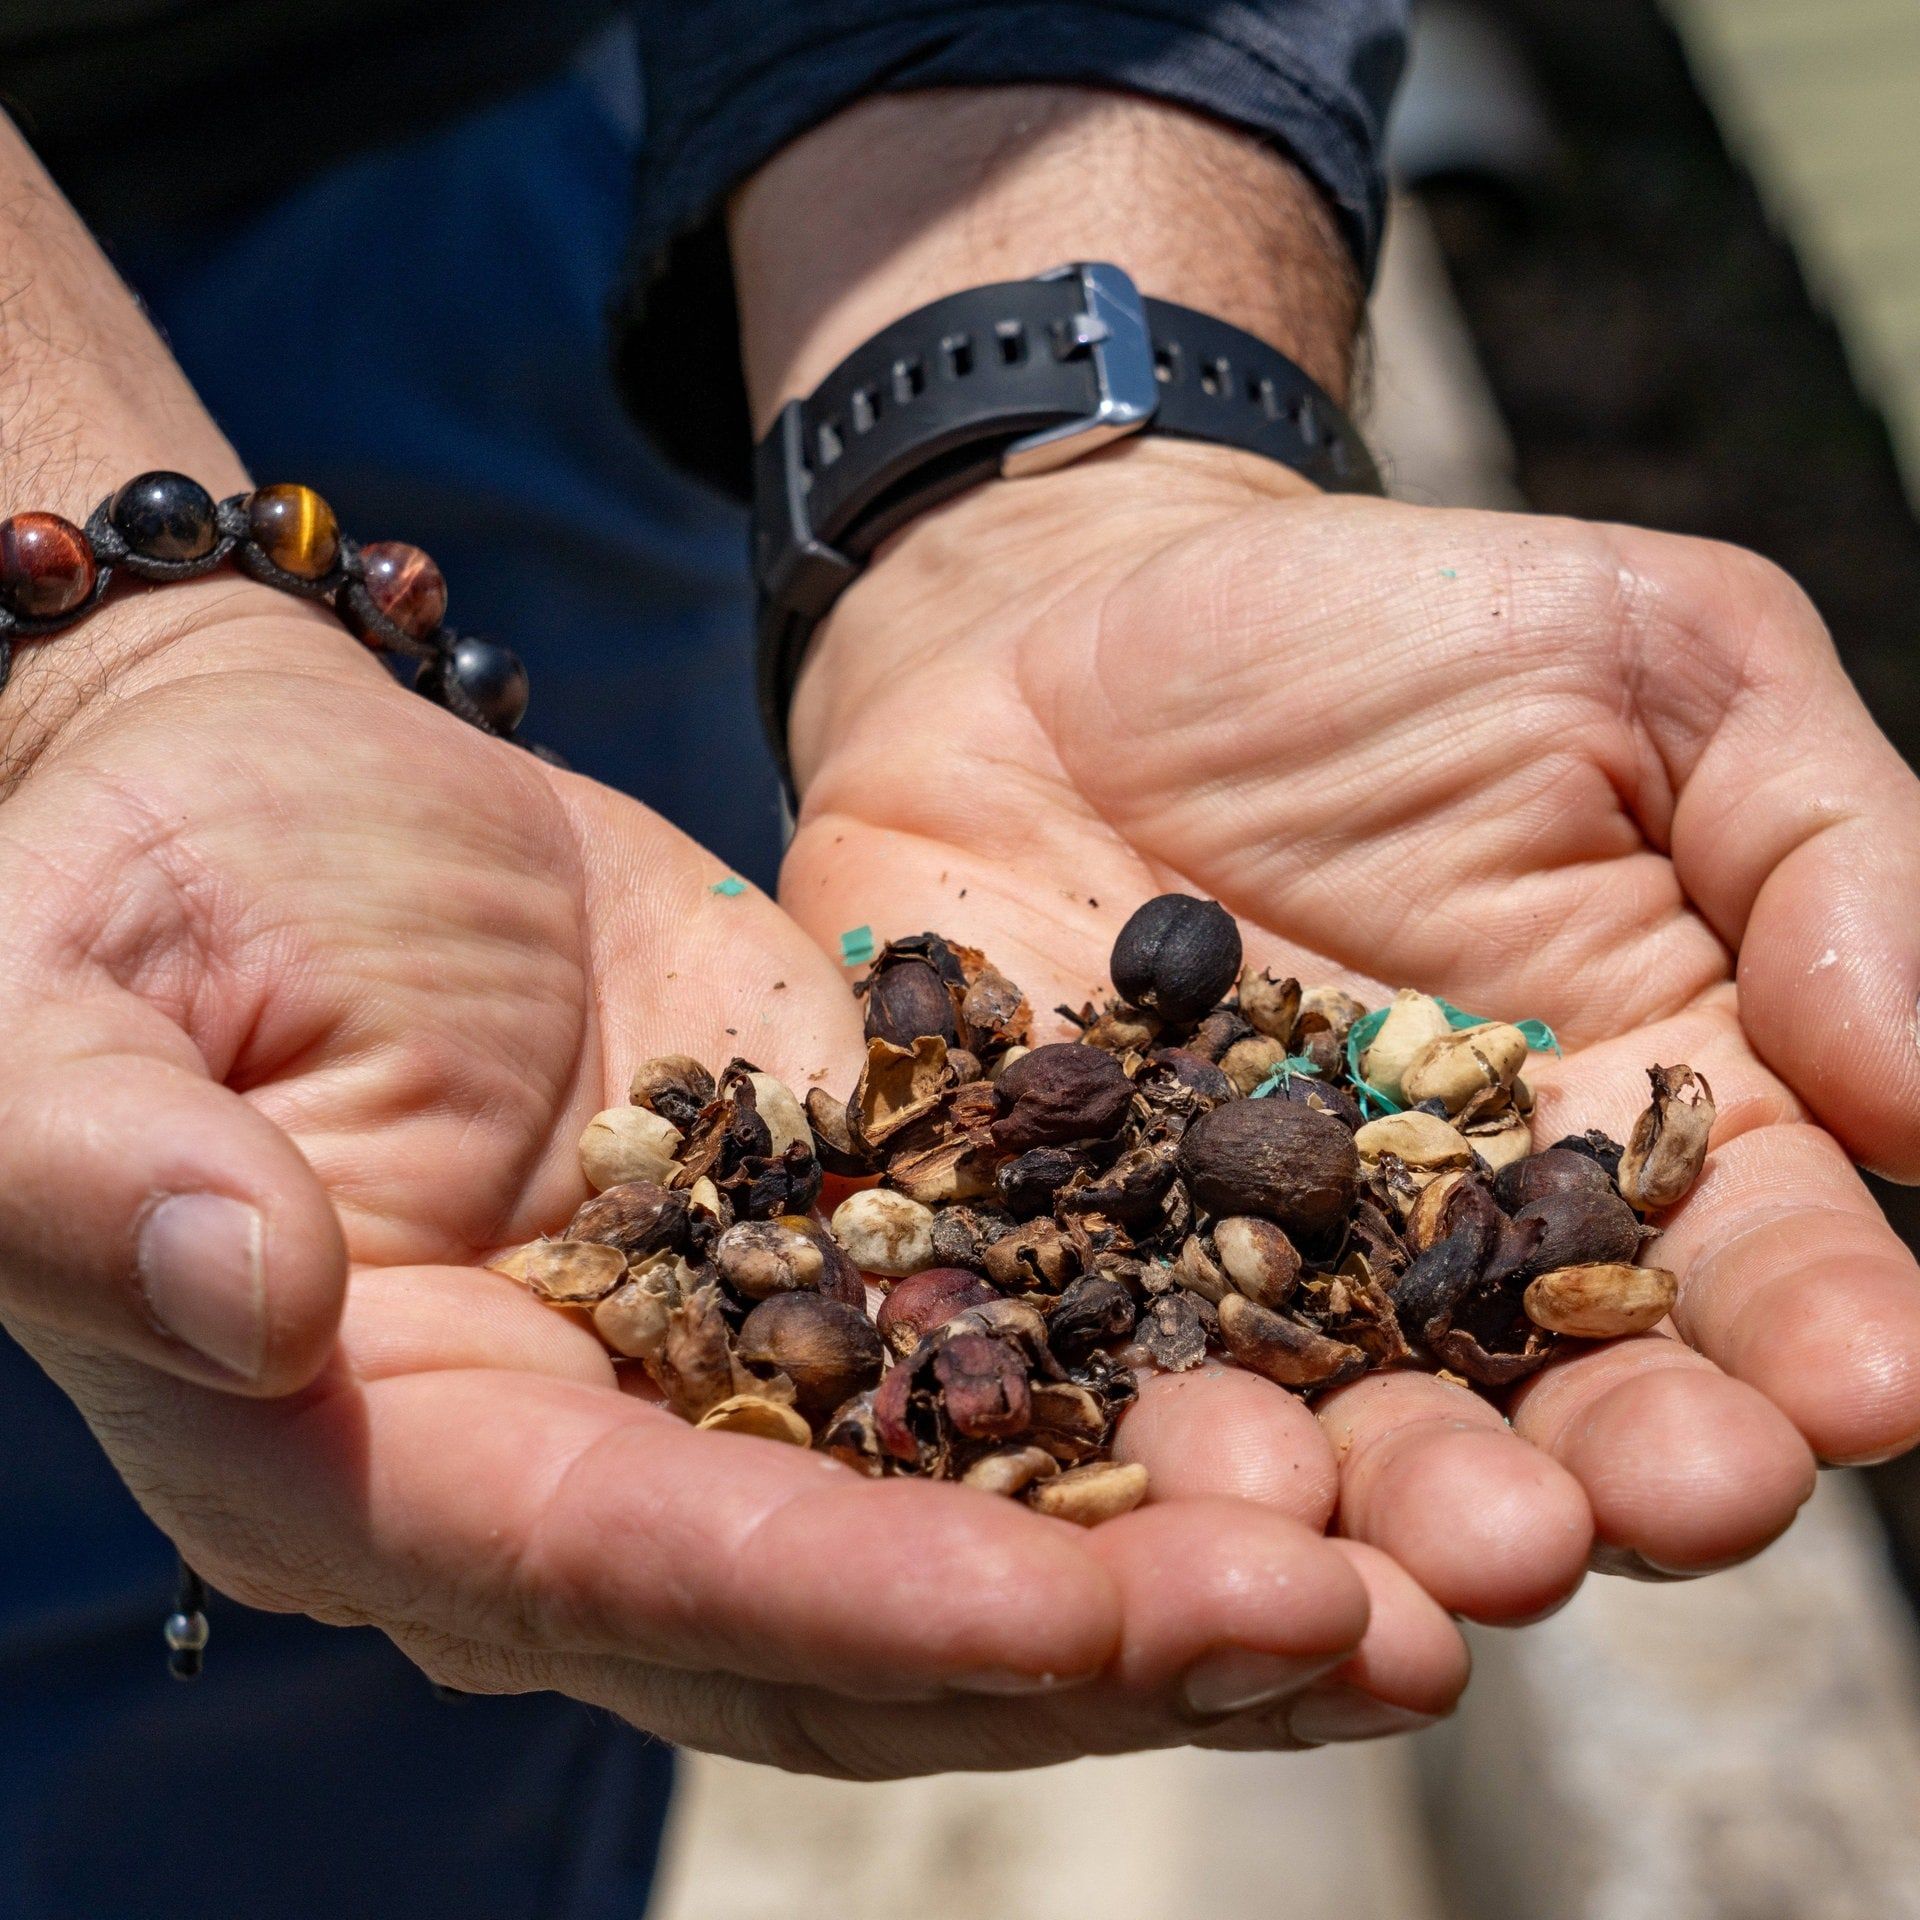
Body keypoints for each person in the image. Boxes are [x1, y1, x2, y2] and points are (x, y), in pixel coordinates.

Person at [3, 4, 1918, 1915]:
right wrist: (113, 663)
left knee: (425, 1542)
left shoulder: (1038, 1151)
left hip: (452, 138)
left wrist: (1055, 464)